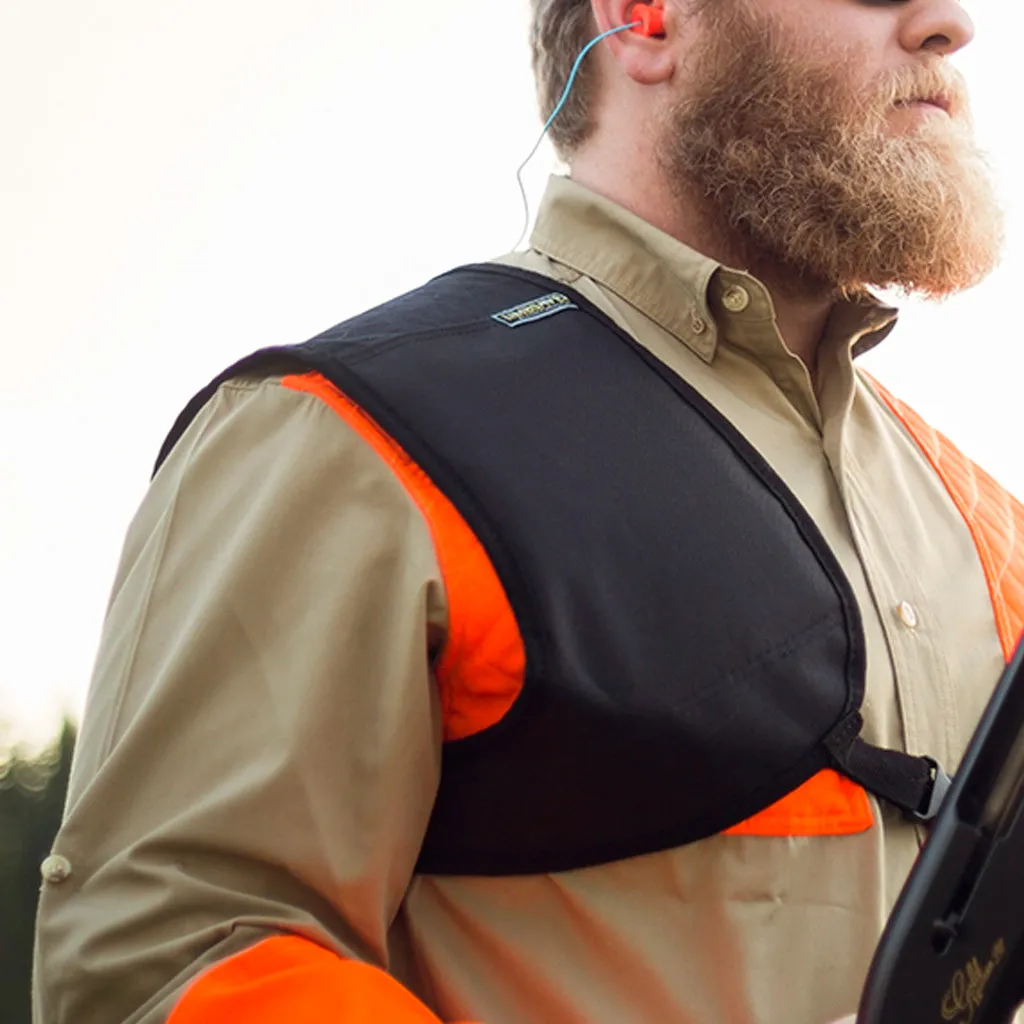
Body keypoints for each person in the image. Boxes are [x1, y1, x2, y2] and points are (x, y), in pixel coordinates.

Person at [32, 0, 1022, 1022]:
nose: (949, 22)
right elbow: (166, 953)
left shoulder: (985, 522)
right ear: (643, 18)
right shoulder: (350, 435)